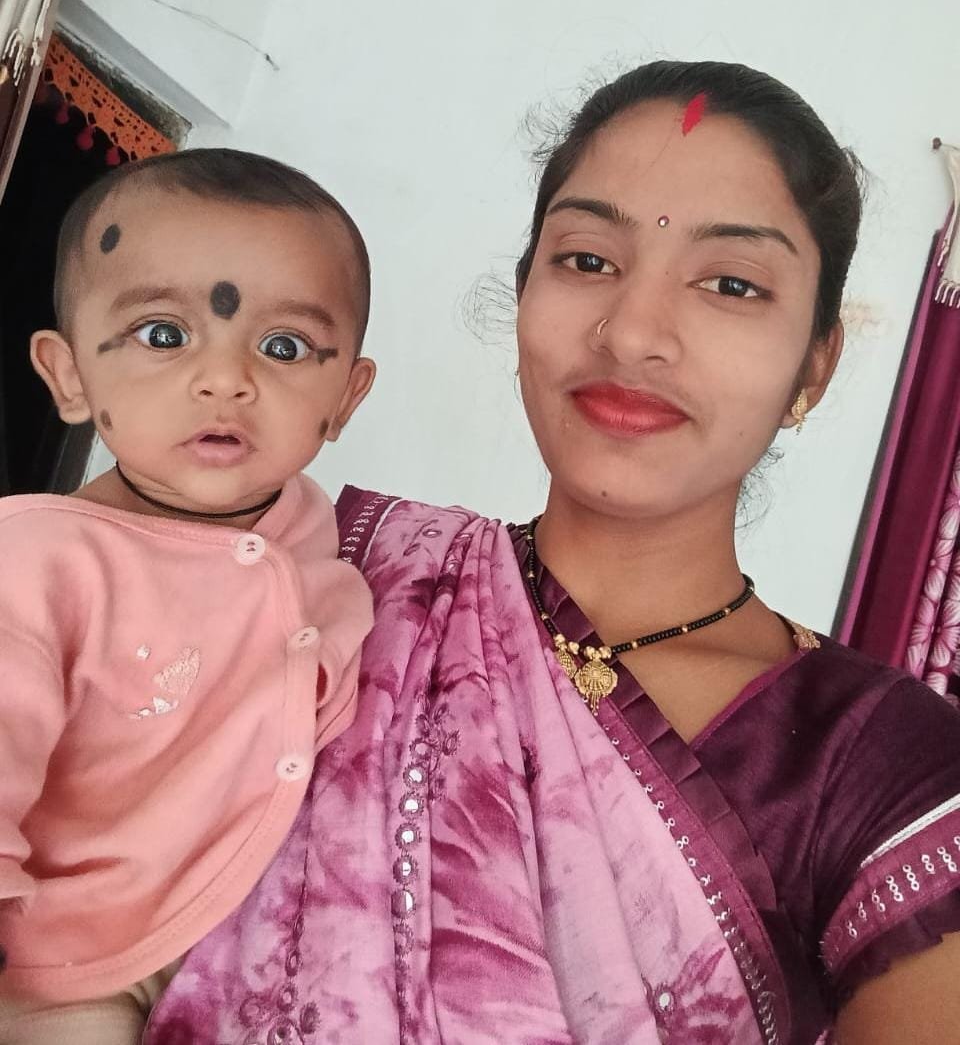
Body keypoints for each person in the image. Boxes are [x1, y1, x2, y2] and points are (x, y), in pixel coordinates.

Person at [148, 63, 960, 1045]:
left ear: (814, 365)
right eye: (587, 260)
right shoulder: (332, 579)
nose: (633, 333)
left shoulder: (882, 767)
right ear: (525, 290)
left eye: (731, 283)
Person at [0, 149, 377, 1043]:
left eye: (284, 347)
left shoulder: (318, 533)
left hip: (256, 949)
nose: (225, 379)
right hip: (70, 969)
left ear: (345, 398)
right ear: (69, 376)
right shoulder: (38, 563)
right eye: (164, 335)